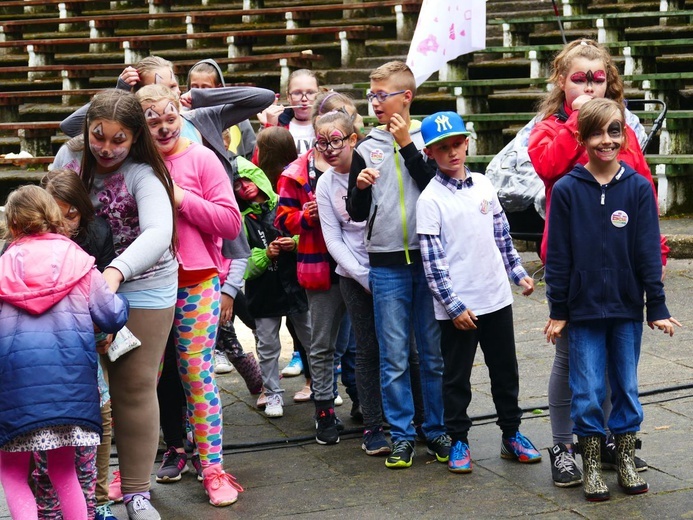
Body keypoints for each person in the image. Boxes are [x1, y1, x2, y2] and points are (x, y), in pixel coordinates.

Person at [527, 38, 667, 487]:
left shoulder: (617, 129)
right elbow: (549, 169)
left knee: (616, 363)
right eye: (579, 78)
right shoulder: (550, 126)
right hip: (575, 265)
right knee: (573, 362)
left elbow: (641, 187)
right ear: (561, 82)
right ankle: (566, 444)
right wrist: (576, 123)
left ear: (612, 81)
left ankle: (609, 441)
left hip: (620, 263)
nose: (589, 85)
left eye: (598, 77)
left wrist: (654, 255)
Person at [544, 98, 681, 501]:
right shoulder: (568, 189)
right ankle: (589, 465)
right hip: (583, 312)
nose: (607, 140)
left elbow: (646, 253)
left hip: (625, 310)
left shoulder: (637, 188)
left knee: (626, 386)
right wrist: (558, 310)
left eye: (614, 131)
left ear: (624, 135)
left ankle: (623, 458)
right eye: (597, 132)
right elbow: (559, 257)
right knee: (585, 389)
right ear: (582, 137)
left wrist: (655, 306)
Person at [135, 84, 244, 507]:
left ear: (181, 113)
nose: (163, 128)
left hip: (197, 281)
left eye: (170, 119)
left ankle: (213, 468)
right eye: (152, 120)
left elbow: (231, 224)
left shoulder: (201, 158)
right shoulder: (135, 164)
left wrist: (181, 198)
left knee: (197, 376)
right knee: (140, 381)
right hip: (144, 287)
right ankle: (134, 476)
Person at [416, 111, 542, 474]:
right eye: (443, 148)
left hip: (496, 298)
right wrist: (453, 306)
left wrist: (519, 274)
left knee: (505, 371)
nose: (452, 153)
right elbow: (433, 263)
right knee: (456, 377)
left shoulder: (485, 185)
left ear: (466, 142)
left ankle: (511, 434)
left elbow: (501, 235)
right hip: (459, 307)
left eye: (457, 144)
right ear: (430, 152)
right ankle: (458, 439)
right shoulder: (431, 200)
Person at [0, 185, 129, 520]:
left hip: (14, 395)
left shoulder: (2, 269)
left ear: (12, 226)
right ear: (54, 218)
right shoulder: (80, 263)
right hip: (72, 391)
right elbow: (111, 315)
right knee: (64, 472)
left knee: (12, 474)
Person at [80, 88, 178, 520]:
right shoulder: (69, 161)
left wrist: (117, 272)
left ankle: (137, 492)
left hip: (145, 287)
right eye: (98, 136)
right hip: (80, 288)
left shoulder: (144, 174)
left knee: (134, 387)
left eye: (119, 140)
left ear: (136, 138)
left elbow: (158, 232)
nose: (106, 148)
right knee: (86, 394)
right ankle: (85, 494)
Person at [346, 61, 448, 469]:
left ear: (406, 97)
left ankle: (437, 430)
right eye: (371, 96)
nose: (375, 103)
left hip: (427, 260)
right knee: (393, 356)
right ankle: (402, 434)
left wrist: (407, 144)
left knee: (432, 353)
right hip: (385, 263)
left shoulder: (429, 139)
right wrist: (358, 188)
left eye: (381, 95)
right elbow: (356, 214)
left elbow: (436, 186)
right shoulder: (365, 145)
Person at [33, 170, 118, 520]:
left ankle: (97, 501)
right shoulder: (29, 249)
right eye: (58, 214)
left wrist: (106, 330)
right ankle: (55, 504)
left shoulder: (97, 234)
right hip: (49, 353)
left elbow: (108, 298)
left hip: (87, 343)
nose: (66, 223)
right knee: (50, 440)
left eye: (73, 214)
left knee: (103, 418)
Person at [315, 109, 391, 455]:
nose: (329, 149)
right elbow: (333, 238)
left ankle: (417, 418)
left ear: (352, 139)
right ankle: (373, 424)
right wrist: (362, 277)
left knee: (407, 348)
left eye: (335, 141)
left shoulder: (372, 170)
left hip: (389, 267)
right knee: (365, 349)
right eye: (322, 143)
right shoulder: (325, 183)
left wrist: (380, 274)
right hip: (353, 274)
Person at [234, 155, 312, 418]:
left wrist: (296, 243)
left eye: (246, 178)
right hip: (263, 291)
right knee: (267, 345)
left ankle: (323, 387)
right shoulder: (239, 219)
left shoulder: (283, 203)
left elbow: (309, 233)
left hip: (296, 284)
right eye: (236, 184)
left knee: (311, 339)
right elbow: (240, 263)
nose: (244, 186)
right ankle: (273, 394)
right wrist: (265, 254)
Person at [186, 59, 257, 160]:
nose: (199, 93)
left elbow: (252, 155)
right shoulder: (183, 118)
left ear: (218, 88)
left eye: (205, 88)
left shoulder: (237, 117)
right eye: (195, 87)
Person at [257, 68, 320, 155]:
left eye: (310, 93)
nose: (304, 99)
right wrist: (270, 128)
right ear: (288, 96)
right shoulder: (280, 125)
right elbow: (262, 163)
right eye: (297, 93)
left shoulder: (329, 123)